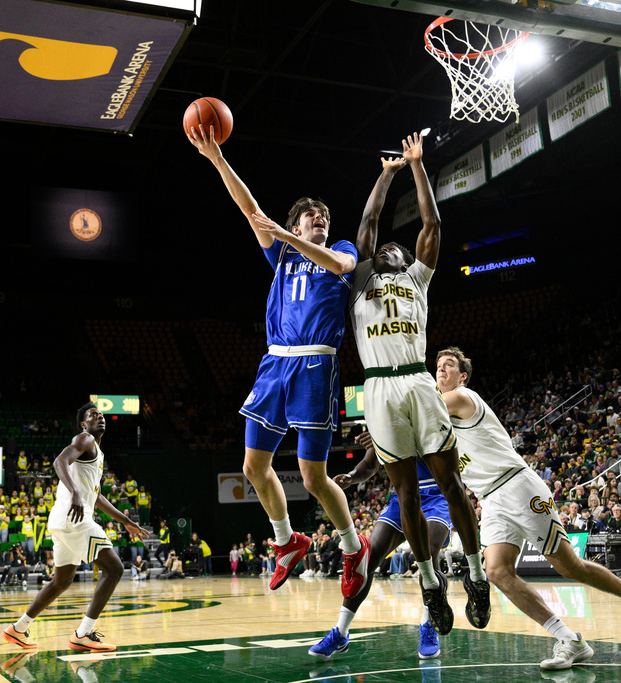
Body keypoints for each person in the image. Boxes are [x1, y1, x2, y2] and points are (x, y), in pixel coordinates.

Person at [187, 123, 369, 597]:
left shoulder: (340, 249)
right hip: (275, 364)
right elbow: (250, 208)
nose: (320, 219)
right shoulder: (281, 256)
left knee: (312, 477)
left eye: (324, 215)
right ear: (296, 223)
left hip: (314, 364)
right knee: (252, 467)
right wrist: (216, 160)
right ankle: (288, 541)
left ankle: (353, 547)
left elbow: (340, 266)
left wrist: (288, 237)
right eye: (310, 216)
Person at [435, 347, 621, 670]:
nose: (441, 370)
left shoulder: (460, 397)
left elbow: (422, 413)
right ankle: (568, 638)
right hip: (491, 499)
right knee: (497, 572)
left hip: (518, 485)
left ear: (463, 376)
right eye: (438, 366)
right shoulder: (440, 426)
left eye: (449, 366)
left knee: (570, 566)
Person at [347, 133, 490, 634]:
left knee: (449, 484)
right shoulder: (362, 279)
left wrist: (416, 166)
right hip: (380, 390)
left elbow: (431, 222)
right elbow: (367, 224)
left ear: (407, 259)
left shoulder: (418, 279)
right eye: (382, 247)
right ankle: (431, 585)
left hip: (416, 381)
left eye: (395, 247)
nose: (387, 248)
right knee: (404, 494)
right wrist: (385, 175)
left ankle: (476, 575)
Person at [2, 402, 149, 653]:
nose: (99, 417)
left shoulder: (96, 453)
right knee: (114, 569)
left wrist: (125, 520)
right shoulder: (85, 439)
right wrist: (74, 493)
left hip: (62, 521)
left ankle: (18, 628)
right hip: (74, 519)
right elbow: (60, 461)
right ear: (84, 423)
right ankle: (84, 633)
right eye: (93, 415)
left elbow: (96, 496)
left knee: (61, 582)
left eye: (101, 414)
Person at [308, 430, 450, 661]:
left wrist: (386, 438)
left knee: (428, 551)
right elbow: (369, 463)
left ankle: (428, 626)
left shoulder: (423, 405)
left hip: (436, 493)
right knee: (368, 559)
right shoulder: (381, 417)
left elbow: (430, 448)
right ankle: (341, 632)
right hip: (403, 494)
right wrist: (352, 476)